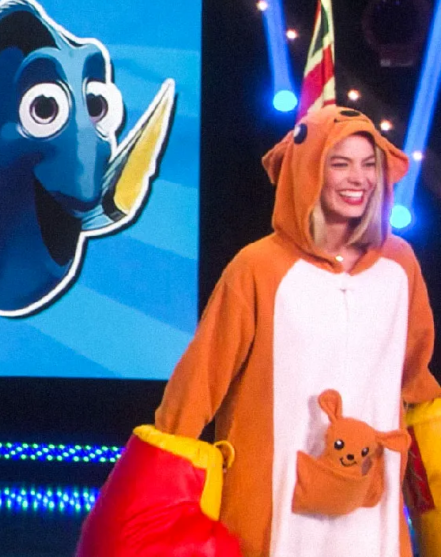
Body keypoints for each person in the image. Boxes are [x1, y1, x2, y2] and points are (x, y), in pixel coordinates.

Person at [75, 105, 441, 557]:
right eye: (340, 163)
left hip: (371, 507)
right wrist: (156, 487)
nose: (359, 179)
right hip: (273, 502)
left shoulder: (399, 265)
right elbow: (202, 377)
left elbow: (415, 377)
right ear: (309, 170)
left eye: (369, 165)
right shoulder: (258, 268)